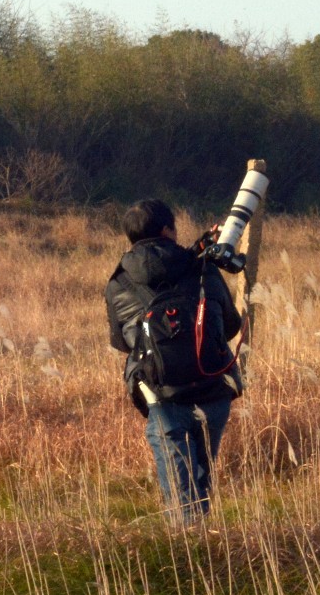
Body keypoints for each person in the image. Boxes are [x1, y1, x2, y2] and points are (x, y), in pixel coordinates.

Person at [104, 198, 244, 524]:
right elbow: (230, 327)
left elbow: (123, 343)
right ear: (168, 230)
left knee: (182, 498)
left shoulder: (118, 282)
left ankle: (186, 556)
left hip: (163, 396)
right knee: (200, 480)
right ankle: (202, 554)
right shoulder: (202, 266)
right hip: (213, 391)